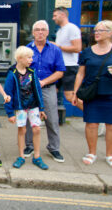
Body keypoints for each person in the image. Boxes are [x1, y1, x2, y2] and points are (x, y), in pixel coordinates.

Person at [72, 20, 112, 169]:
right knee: (91, 124)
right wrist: (75, 93)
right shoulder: (86, 52)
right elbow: (80, 74)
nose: (96, 33)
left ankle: (110, 155)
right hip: (92, 93)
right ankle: (91, 153)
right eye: (95, 30)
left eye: (100, 31)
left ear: (110, 33)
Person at [25, 20, 66, 162]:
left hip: (48, 88)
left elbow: (60, 72)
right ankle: (29, 145)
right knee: (30, 118)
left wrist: (43, 82)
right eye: (37, 29)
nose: (40, 32)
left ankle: (54, 148)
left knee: (52, 119)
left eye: (43, 29)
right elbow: (21, 68)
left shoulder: (55, 50)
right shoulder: (27, 49)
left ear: (48, 32)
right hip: (29, 89)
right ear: (33, 32)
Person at [4, 46, 48, 170]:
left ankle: (37, 156)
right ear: (19, 58)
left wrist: (41, 108)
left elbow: (38, 90)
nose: (31, 60)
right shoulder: (12, 74)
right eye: (28, 57)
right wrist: (10, 113)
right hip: (21, 107)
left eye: (31, 57)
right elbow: (8, 94)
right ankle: (21, 156)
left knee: (37, 129)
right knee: (21, 130)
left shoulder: (32, 72)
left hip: (33, 106)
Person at [52, 7, 82, 110]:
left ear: (63, 15)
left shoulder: (72, 28)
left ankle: (94, 115)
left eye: (55, 15)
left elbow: (77, 48)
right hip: (59, 67)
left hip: (69, 66)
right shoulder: (60, 30)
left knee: (70, 96)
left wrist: (57, 46)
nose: (53, 18)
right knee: (50, 94)